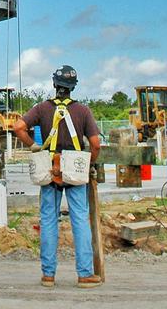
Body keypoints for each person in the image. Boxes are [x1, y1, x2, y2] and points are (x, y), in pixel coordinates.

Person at [12, 65, 103, 288]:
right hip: (74, 167)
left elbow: (18, 127)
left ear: (55, 84)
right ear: (73, 87)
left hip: (48, 169)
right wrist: (88, 162)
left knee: (48, 219)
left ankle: (48, 275)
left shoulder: (42, 109)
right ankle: (84, 274)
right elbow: (95, 144)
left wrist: (34, 146)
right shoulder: (82, 111)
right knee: (80, 219)